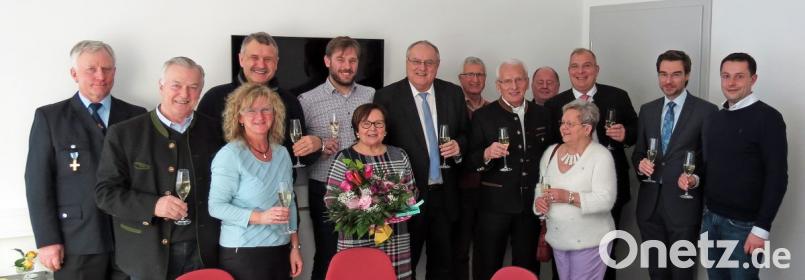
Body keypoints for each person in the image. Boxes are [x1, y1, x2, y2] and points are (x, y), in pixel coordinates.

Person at [95, 57, 225, 279]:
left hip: (204, 252)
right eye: (176, 85)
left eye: (193, 87)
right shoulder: (124, 133)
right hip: (147, 257)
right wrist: (153, 205)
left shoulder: (217, 131)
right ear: (161, 86)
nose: (184, 94)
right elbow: (105, 194)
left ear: (200, 91)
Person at [24, 40, 145, 280]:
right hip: (76, 241)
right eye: (91, 69)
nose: (100, 76)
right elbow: (38, 183)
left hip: (130, 237)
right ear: (74, 73)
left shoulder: (137, 116)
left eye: (107, 69)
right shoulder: (50, 118)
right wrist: (47, 240)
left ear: (115, 72)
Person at [373, 40, 470, 279]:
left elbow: (466, 134)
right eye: (416, 61)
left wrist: (459, 146)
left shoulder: (453, 93)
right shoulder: (386, 96)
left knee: (443, 267)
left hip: (445, 195)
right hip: (407, 198)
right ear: (407, 63)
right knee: (404, 267)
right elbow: (379, 146)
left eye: (429, 62)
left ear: (438, 65)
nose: (422, 67)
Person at [688, 52, 787, 279]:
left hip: (744, 227)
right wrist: (695, 179)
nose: (731, 83)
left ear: (753, 79)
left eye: (739, 76)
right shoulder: (715, 118)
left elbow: (777, 177)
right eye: (726, 76)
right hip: (711, 219)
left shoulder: (769, 118)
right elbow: (709, 166)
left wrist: (761, 230)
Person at [543, 48, 637, 280]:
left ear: (596, 69)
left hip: (607, 191)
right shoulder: (554, 104)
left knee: (605, 253)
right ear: (568, 71)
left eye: (586, 65)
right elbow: (549, 149)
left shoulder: (618, 96)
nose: (580, 71)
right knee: (564, 254)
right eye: (575, 66)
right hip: (566, 194)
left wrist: (625, 134)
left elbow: (637, 133)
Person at [632, 50, 717, 280]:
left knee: (682, 274)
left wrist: (695, 179)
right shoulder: (647, 110)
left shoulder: (706, 111)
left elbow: (710, 160)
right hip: (649, 208)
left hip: (684, 207)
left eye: (676, 74)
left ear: (687, 75)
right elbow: (639, 152)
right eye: (663, 74)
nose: (668, 81)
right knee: (656, 273)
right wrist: (640, 165)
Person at [468, 59, 553, 280]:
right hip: (493, 207)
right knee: (486, 266)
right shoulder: (483, 116)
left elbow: (551, 157)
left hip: (529, 206)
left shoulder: (543, 114)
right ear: (498, 86)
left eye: (518, 80)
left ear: (526, 82)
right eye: (507, 81)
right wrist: (486, 154)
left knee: (526, 269)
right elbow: (469, 161)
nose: (513, 86)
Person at [298, 36, 375, 280]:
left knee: (364, 255)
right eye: (340, 59)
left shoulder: (371, 94)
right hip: (325, 188)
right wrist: (319, 147)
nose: (347, 66)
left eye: (352, 60)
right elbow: (298, 149)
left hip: (367, 188)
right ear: (327, 61)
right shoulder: (307, 100)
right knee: (328, 257)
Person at [208, 84, 302, 280]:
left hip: (280, 248)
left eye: (266, 109)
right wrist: (260, 217)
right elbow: (216, 207)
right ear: (239, 117)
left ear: (274, 114)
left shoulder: (282, 153)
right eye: (250, 110)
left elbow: (289, 202)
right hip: (243, 252)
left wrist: (295, 246)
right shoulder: (230, 155)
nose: (259, 116)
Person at [198, 31, 321, 180]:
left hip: (282, 194)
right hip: (234, 197)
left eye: (268, 59)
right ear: (241, 59)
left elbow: (299, 157)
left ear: (276, 63)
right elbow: (203, 156)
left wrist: (316, 145)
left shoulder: (290, 100)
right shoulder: (214, 98)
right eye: (254, 58)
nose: (261, 65)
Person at [324, 103, 417, 280]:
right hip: (357, 237)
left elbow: (412, 192)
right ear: (357, 130)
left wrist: (397, 206)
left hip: (395, 237)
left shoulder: (399, 155)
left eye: (378, 124)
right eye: (366, 124)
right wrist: (366, 212)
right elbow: (331, 200)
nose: (372, 129)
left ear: (386, 130)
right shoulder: (344, 158)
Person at [534, 100, 616, 280]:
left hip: (591, 241)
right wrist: (538, 203)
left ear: (587, 129)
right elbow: (541, 187)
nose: (563, 128)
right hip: (559, 238)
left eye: (570, 124)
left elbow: (606, 200)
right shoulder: (551, 152)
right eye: (562, 123)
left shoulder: (601, 156)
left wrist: (567, 196)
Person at [454, 56, 489, 280]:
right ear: (461, 78)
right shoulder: (451, 106)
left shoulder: (493, 109)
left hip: (488, 190)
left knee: (486, 250)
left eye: (480, 75)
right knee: (459, 249)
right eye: (470, 74)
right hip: (460, 189)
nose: (475, 79)